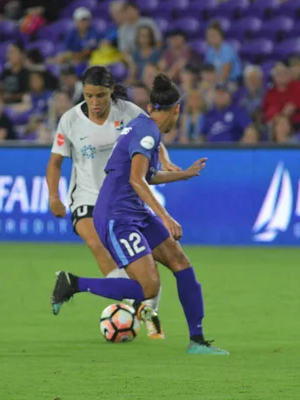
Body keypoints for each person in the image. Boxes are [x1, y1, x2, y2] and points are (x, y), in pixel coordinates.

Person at [50, 73, 229, 355]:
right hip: (116, 216)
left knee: (181, 262)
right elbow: (137, 180)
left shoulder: (144, 127)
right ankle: (73, 284)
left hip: (134, 212)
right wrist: (166, 217)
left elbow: (148, 175)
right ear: (176, 110)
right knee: (148, 288)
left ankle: (197, 341)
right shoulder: (147, 133)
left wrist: (183, 174)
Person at [45, 66, 180, 339]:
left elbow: (151, 133)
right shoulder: (70, 120)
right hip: (86, 197)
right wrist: (53, 196)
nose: (95, 102)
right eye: (89, 95)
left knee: (147, 262)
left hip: (122, 198)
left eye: (101, 96)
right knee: (99, 246)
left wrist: (164, 159)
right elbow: (55, 162)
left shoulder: (128, 112)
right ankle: (136, 308)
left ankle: (144, 308)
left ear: (111, 93)